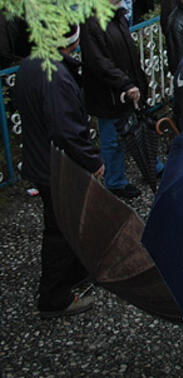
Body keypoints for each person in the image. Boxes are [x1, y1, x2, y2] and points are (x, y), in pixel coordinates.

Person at [15, 26, 104, 318]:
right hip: (59, 167)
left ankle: (75, 274)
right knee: (60, 231)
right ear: (73, 40)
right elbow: (66, 130)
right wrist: (92, 161)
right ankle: (54, 297)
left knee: (69, 224)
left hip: (44, 162)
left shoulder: (31, 64)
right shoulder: (56, 76)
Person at [80, 0, 148, 198]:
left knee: (137, 129)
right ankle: (115, 182)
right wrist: (125, 83)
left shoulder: (117, 17)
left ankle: (150, 166)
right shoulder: (92, 24)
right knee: (112, 140)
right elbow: (99, 62)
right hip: (108, 95)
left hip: (126, 89)